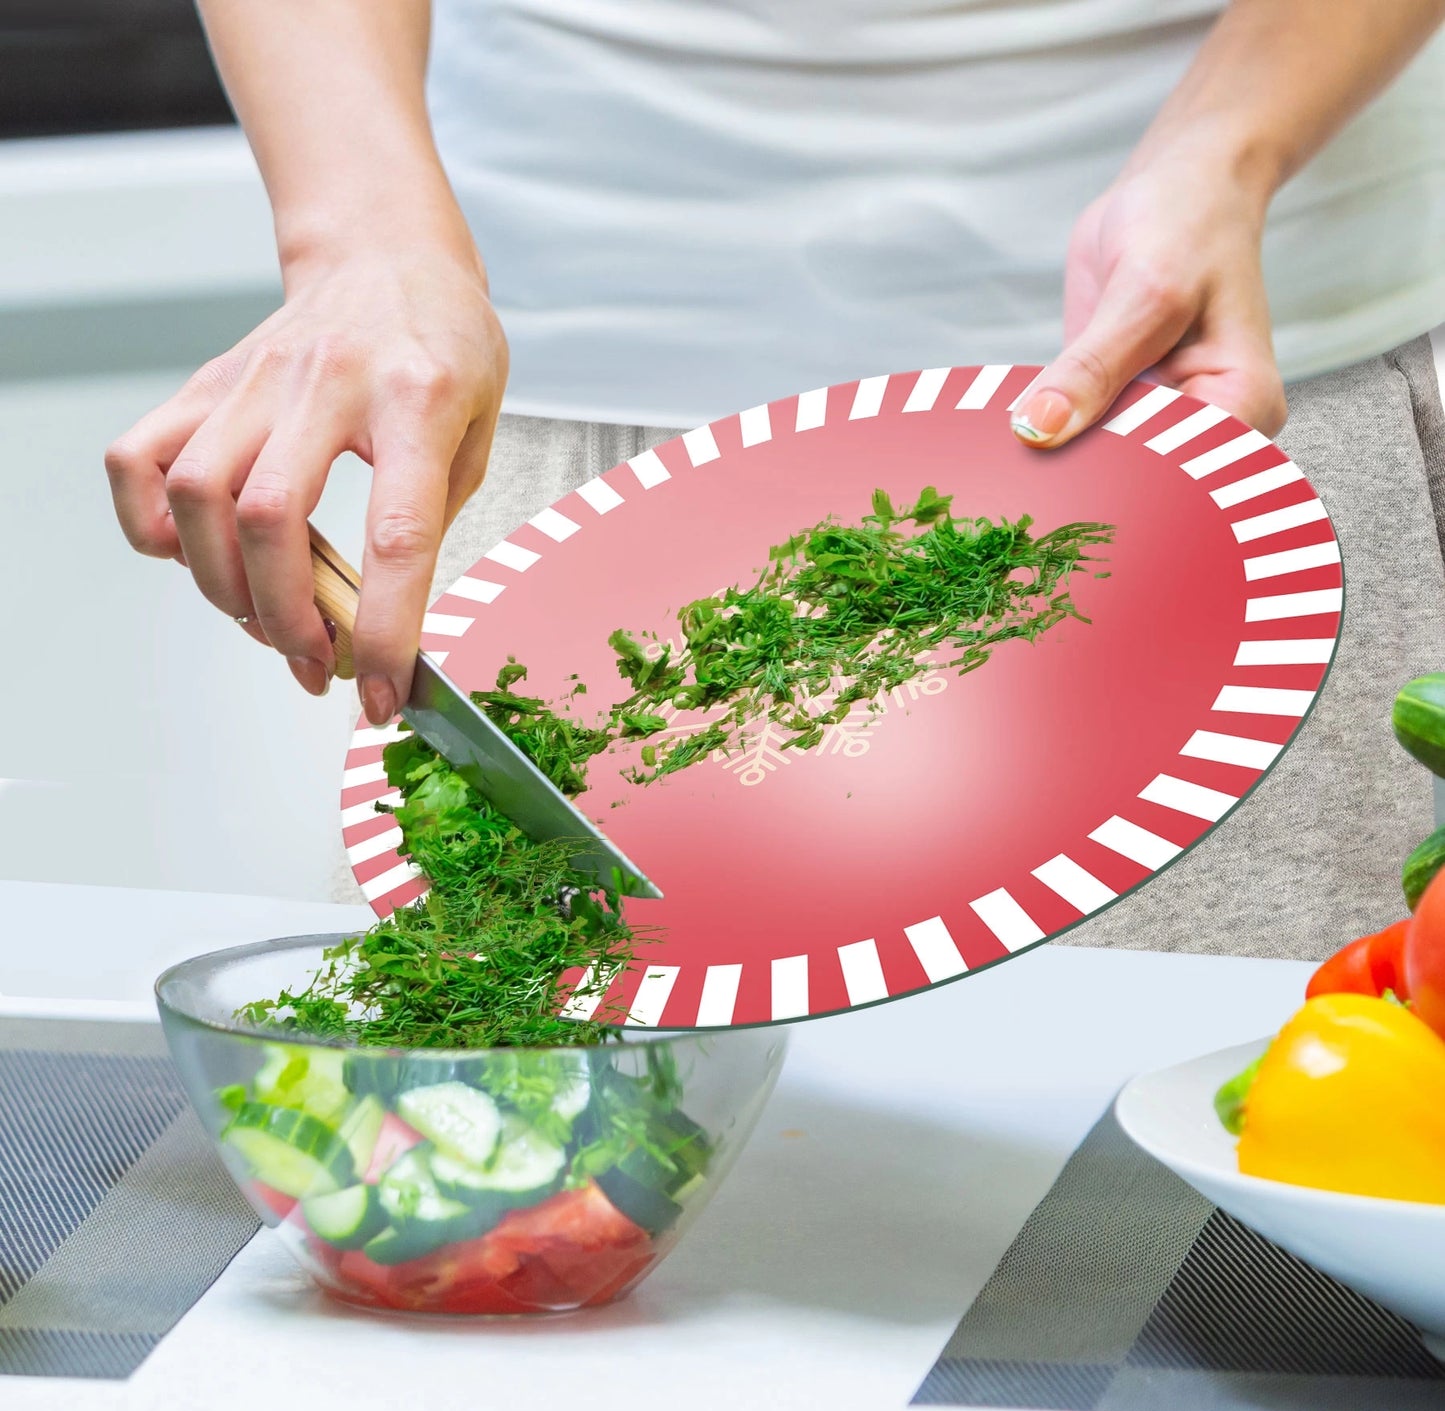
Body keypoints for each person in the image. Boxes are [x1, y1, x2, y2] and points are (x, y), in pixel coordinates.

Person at [104, 2, 1445, 957]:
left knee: (1216, 1223)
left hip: (1197, 380)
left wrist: (1231, 149)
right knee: (585, 1188)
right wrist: (358, 238)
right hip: (538, 397)